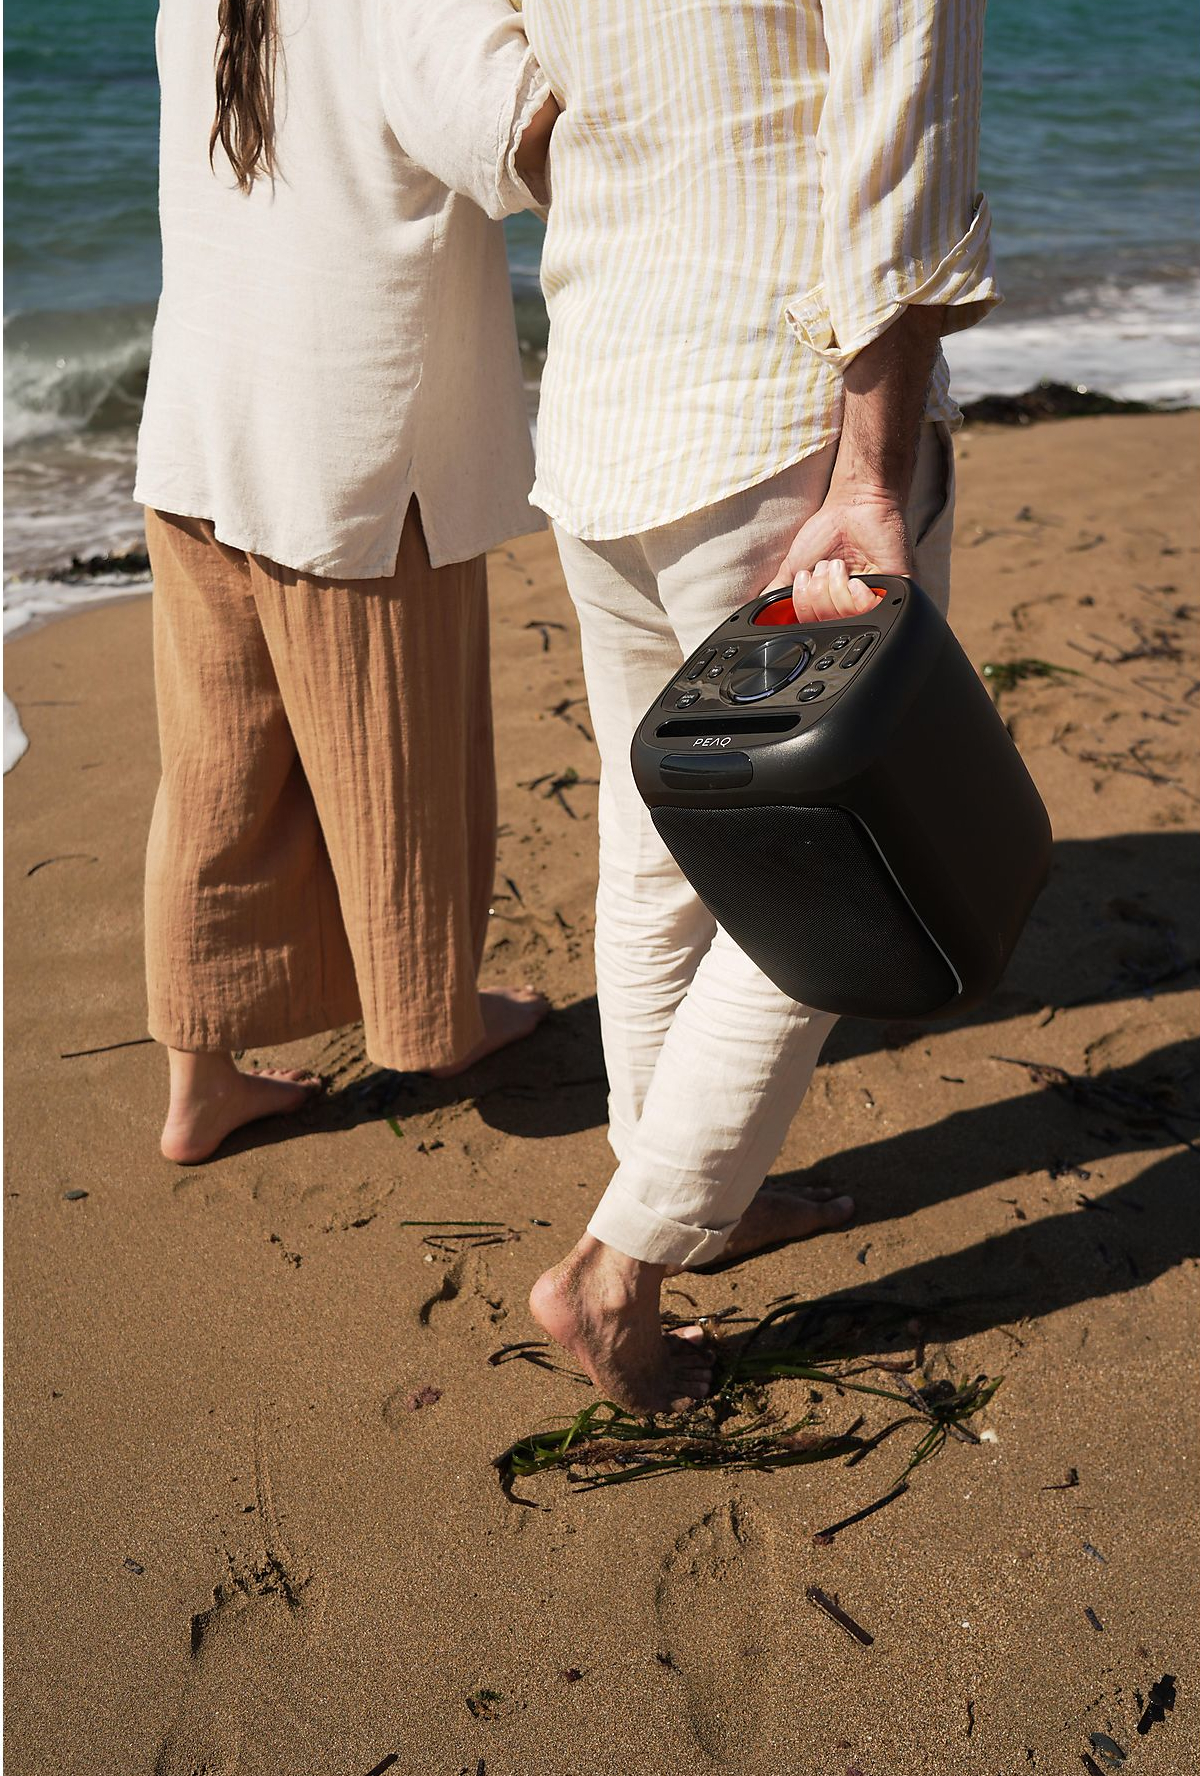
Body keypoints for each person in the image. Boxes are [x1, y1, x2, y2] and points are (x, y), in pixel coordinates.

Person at [515, 0, 1002, 1410]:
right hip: (777, 427)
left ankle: (685, 1195)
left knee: (654, 838)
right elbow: (906, 131)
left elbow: (519, 99)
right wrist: (871, 468)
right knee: (834, 872)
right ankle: (618, 1273)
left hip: (608, 397)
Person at [135, 0, 560, 1162]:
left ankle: (200, 1083)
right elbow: (521, 147)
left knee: (216, 771)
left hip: (203, 426)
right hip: (353, 455)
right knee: (398, 773)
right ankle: (439, 1025)